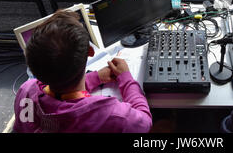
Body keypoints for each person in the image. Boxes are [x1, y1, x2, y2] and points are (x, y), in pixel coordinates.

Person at [13, 10, 152, 133]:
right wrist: (127, 80)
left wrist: (95, 78)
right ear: (90, 52)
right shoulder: (109, 114)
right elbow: (144, 122)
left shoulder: (26, 92)